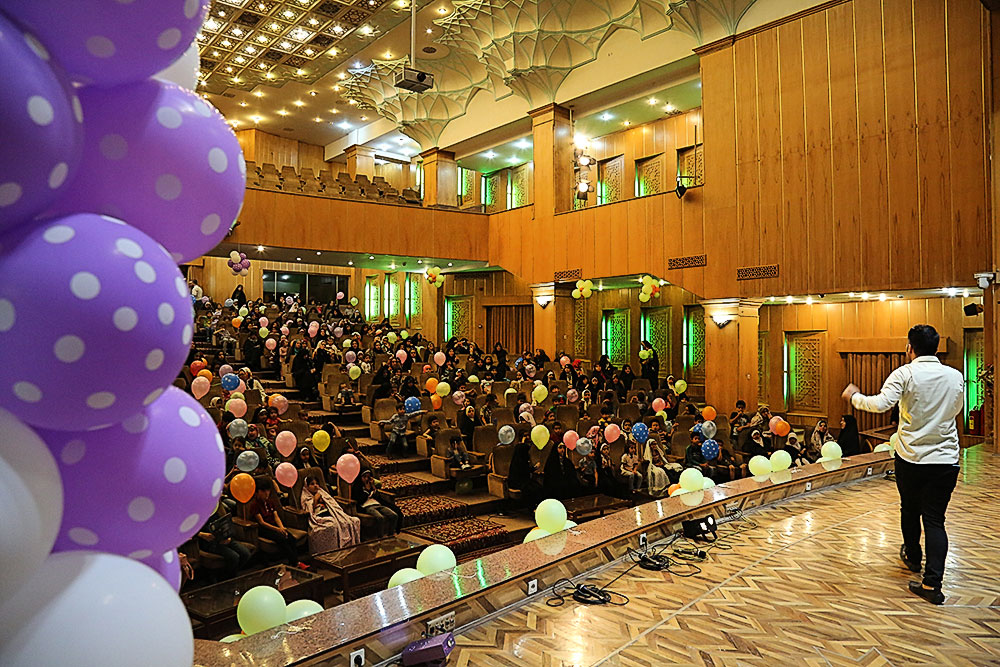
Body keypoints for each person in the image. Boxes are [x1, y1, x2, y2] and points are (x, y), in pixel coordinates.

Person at [843, 324, 964, 605]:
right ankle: (932, 584)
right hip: (946, 460)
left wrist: (853, 397)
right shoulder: (955, 376)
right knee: (935, 520)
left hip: (912, 458)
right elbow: (956, 409)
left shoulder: (905, 373)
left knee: (910, 509)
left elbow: (880, 404)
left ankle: (913, 556)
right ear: (936, 348)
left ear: (909, 348)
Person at [300, 475, 361, 554]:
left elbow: (332, 503)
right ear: (307, 486)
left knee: (355, 520)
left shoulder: (322, 493)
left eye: (317, 483)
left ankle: (353, 548)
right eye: (312, 484)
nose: (315, 486)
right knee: (332, 525)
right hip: (320, 516)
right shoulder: (305, 496)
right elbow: (310, 511)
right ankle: (333, 553)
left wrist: (324, 501)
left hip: (333, 513)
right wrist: (315, 500)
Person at [248, 479, 302, 567]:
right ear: (257, 492)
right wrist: (277, 529)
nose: (266, 493)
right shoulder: (254, 505)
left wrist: (282, 527)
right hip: (264, 529)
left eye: (268, 490)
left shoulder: (270, 502)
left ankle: (295, 562)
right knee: (282, 539)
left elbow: (276, 517)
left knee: (290, 537)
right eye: (263, 491)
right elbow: (262, 522)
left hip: (274, 525)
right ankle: (295, 563)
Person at [197, 503, 252, 577]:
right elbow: (189, 532)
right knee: (234, 557)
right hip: (210, 543)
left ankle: (231, 574)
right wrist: (202, 534)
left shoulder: (214, 511)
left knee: (246, 553)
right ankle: (229, 577)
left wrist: (228, 537)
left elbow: (224, 524)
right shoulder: (195, 515)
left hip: (224, 538)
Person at [352, 470, 401, 538]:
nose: (366, 479)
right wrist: (367, 490)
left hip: (377, 504)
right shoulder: (357, 486)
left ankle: (391, 534)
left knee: (394, 515)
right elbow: (359, 500)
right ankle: (380, 537)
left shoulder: (371, 485)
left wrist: (373, 487)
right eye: (364, 477)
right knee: (380, 518)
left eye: (368, 477)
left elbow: (377, 496)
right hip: (367, 506)